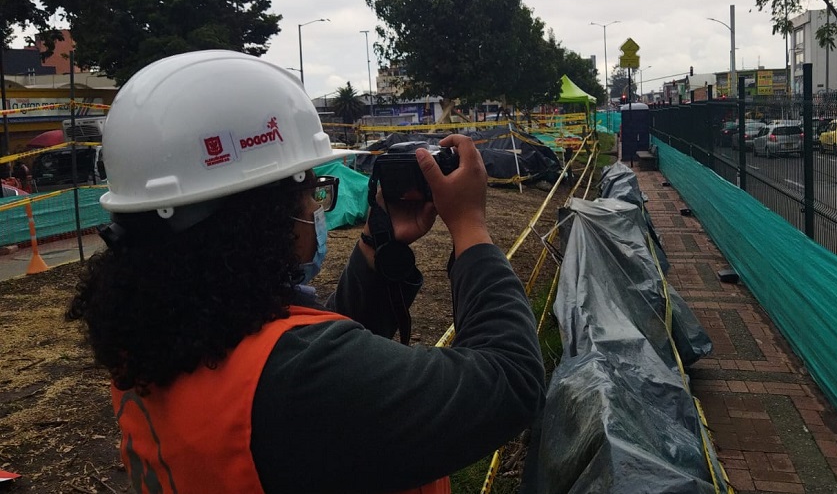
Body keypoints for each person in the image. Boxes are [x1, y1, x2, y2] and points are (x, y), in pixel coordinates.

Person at [67, 50, 545, 494]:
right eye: (312, 190)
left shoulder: (158, 333)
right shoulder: (301, 382)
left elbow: (298, 356)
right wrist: (470, 227)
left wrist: (378, 247)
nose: (317, 206)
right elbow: (512, 379)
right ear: (259, 216)